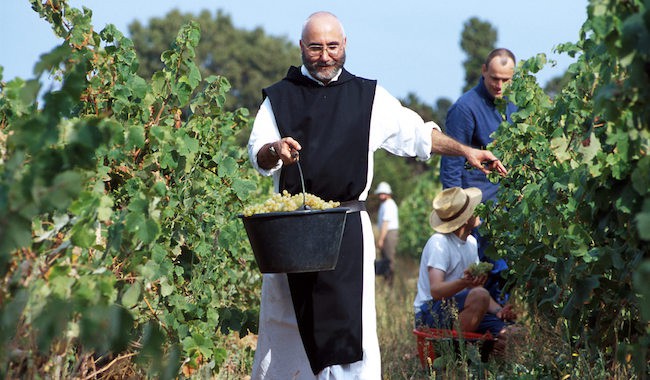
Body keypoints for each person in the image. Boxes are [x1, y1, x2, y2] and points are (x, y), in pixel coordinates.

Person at [247, 11, 508, 379]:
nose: (325, 55)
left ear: (345, 45)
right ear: (302, 47)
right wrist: (275, 149)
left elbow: (417, 135)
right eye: (317, 47)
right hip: (293, 232)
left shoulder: (367, 97)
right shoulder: (280, 97)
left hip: (347, 231)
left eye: (333, 46)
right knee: (287, 329)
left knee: (348, 333)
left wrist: (466, 151)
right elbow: (258, 151)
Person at [439, 48, 518, 304]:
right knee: (484, 274)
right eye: (495, 78)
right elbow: (451, 165)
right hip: (478, 212)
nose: (499, 85)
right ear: (484, 71)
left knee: (506, 274)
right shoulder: (465, 108)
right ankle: (482, 335)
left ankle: (500, 331)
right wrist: (461, 213)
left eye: (506, 80)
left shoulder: (515, 106)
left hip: (508, 211)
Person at [413, 187, 517, 339]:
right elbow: (435, 291)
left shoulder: (471, 243)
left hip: (459, 310)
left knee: (514, 334)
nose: (479, 210)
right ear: (466, 218)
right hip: (430, 312)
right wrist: (463, 282)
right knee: (479, 295)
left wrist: (498, 311)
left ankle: (469, 346)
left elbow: (476, 290)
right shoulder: (439, 243)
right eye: (475, 208)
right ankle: (455, 350)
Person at [374, 181, 398, 283]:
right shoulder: (385, 204)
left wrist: (381, 239)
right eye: (380, 193)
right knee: (385, 258)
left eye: (383, 193)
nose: (381, 195)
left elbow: (385, 223)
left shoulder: (388, 205)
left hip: (389, 233)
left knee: (388, 259)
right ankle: (387, 281)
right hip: (388, 233)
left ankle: (389, 282)